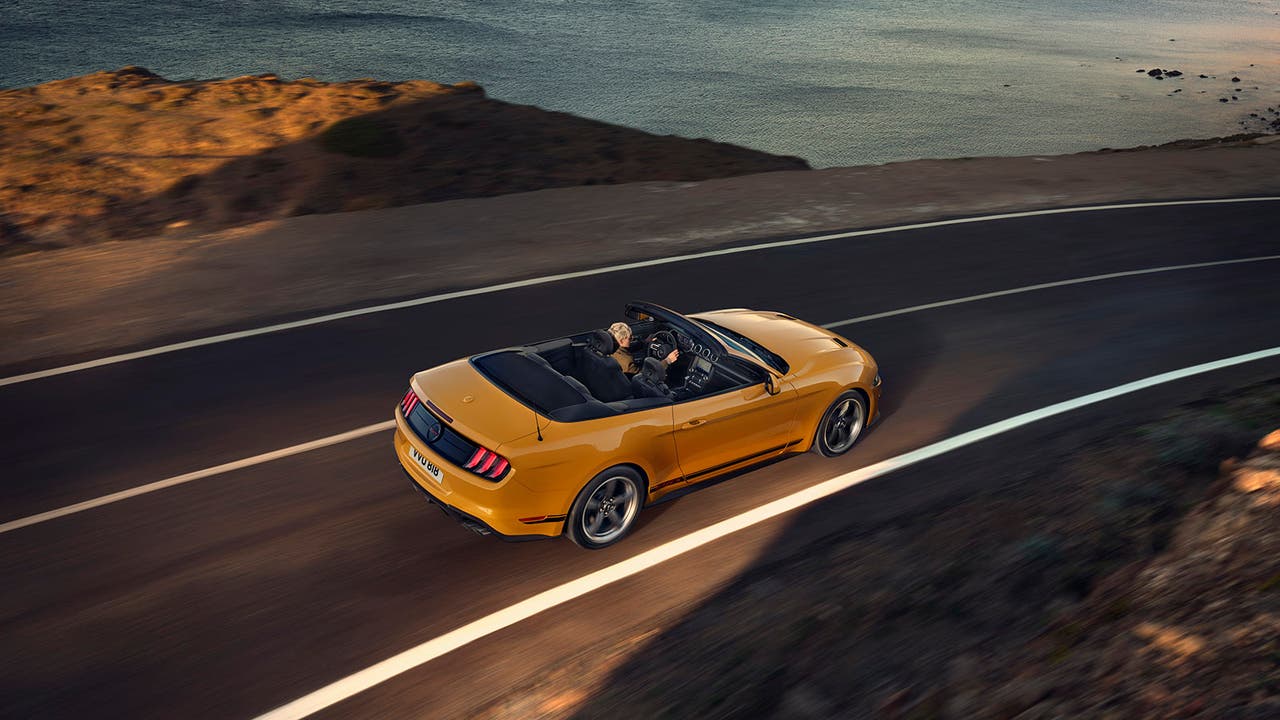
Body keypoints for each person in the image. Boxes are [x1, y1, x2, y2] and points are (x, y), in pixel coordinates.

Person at [609, 321, 678, 376]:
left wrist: (645, 342)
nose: (632, 339)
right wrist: (667, 361)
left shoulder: (612, 347)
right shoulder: (625, 362)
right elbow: (644, 376)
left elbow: (629, 348)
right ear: (621, 341)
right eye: (630, 338)